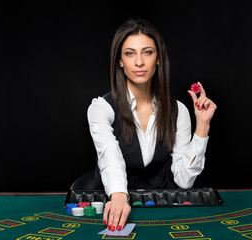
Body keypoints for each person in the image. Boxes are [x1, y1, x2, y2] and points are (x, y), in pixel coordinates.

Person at [87, 19, 216, 232]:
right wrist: (118, 196)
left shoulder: (179, 111)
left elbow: (184, 181)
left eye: (147, 52)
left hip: (163, 213)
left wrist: (202, 127)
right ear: (119, 60)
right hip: (115, 207)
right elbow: (109, 154)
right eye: (130, 53)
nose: (139, 62)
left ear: (158, 59)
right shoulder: (101, 108)